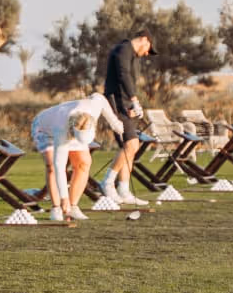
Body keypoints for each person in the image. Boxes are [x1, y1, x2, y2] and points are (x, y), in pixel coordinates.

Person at [30, 92, 122, 221]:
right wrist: (64, 197)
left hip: (71, 126)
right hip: (44, 129)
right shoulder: (60, 129)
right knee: (51, 166)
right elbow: (59, 167)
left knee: (84, 162)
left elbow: (100, 97)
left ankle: (73, 207)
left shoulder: (92, 110)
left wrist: (116, 124)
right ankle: (56, 208)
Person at [100, 30, 156, 206]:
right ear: (144, 40)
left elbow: (128, 81)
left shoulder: (132, 55)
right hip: (115, 104)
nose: (147, 53)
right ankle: (108, 183)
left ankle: (124, 190)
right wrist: (134, 100)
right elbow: (123, 76)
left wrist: (131, 105)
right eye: (149, 48)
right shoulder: (123, 50)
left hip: (124, 106)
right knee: (131, 144)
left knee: (131, 146)